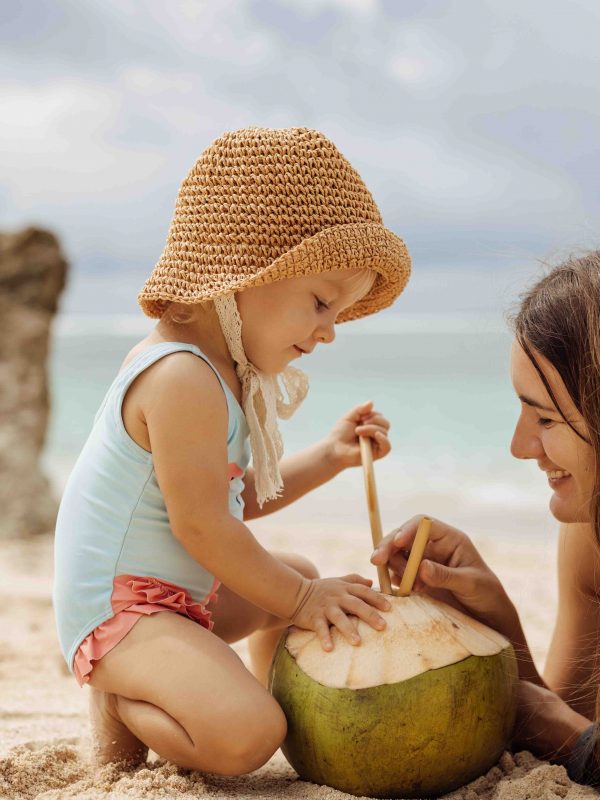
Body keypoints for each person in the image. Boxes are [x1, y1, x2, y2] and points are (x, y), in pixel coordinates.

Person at [53, 127, 411, 775]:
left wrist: (330, 456)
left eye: (341, 314)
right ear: (240, 270)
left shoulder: (221, 377)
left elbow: (233, 503)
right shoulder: (182, 377)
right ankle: (122, 696)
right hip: (121, 609)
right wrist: (303, 599)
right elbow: (201, 525)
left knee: (291, 566)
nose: (329, 331)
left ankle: (256, 696)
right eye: (322, 302)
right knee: (247, 738)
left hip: (172, 596)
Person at [372, 250, 600, 788]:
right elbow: (573, 729)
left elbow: (566, 732)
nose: (520, 447)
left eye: (544, 417)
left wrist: (558, 728)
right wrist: (497, 625)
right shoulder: (587, 533)